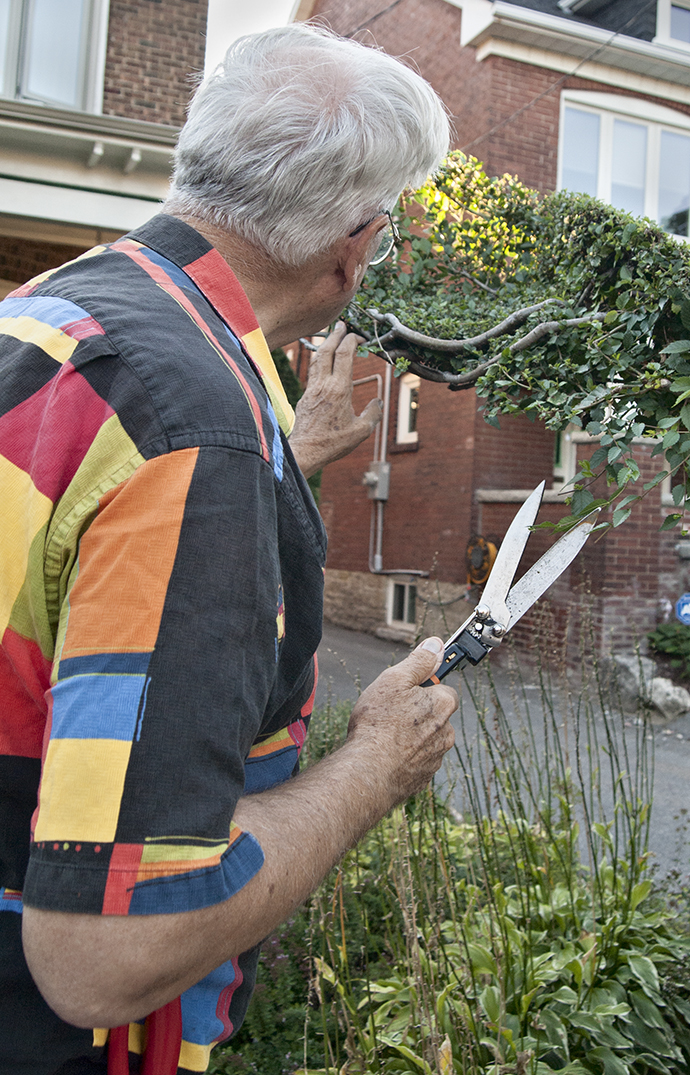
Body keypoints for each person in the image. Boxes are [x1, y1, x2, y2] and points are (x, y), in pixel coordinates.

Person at [0, 23, 457, 1075]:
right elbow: (104, 953)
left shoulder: (49, 316)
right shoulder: (196, 431)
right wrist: (379, 762)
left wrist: (281, 463)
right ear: (355, 242)